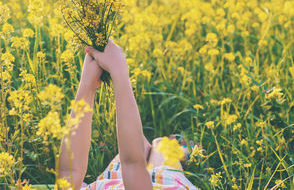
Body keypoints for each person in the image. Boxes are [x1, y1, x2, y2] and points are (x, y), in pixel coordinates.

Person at [58, 39, 198, 190]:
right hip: (158, 184)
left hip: (116, 182)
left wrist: (88, 86)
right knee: (161, 146)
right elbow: (132, 166)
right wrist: (118, 73)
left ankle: (165, 147)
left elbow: (70, 171)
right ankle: (181, 150)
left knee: (143, 146)